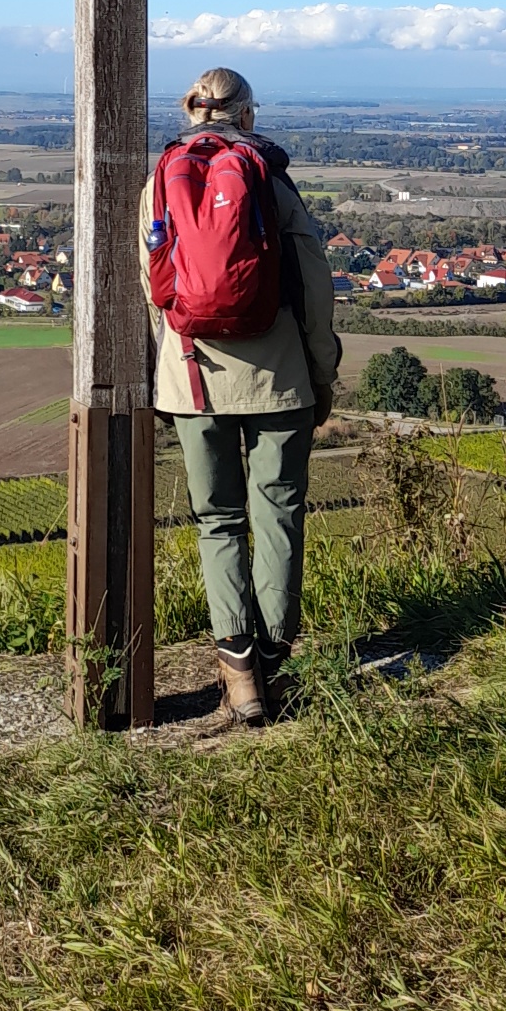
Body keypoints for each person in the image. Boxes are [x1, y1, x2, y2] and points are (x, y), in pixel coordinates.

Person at [140, 65, 339, 726]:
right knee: (279, 510)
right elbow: (313, 284)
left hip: (193, 376)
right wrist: (321, 370)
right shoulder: (269, 175)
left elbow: (155, 287)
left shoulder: (160, 180)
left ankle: (241, 677)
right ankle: (278, 662)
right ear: (247, 114)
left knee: (217, 520)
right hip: (279, 375)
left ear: (193, 110)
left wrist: (165, 371)